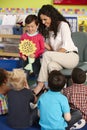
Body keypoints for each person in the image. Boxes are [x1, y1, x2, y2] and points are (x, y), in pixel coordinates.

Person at [33, 4, 79, 95]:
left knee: (47, 55)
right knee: (51, 66)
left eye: (45, 19)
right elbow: (51, 49)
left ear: (52, 16)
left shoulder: (63, 25)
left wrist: (51, 54)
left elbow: (65, 47)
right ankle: (57, 92)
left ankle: (40, 84)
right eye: (41, 20)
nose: (43, 22)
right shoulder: (49, 30)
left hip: (71, 57)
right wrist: (42, 43)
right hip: (60, 59)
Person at [19, 14, 45, 80]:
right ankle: (25, 88)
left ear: (37, 25)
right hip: (26, 60)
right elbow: (21, 48)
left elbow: (42, 49)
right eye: (28, 26)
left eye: (32, 26)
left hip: (36, 60)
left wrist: (35, 55)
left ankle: (38, 87)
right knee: (25, 75)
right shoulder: (23, 36)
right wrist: (22, 55)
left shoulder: (39, 37)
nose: (30, 28)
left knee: (37, 74)